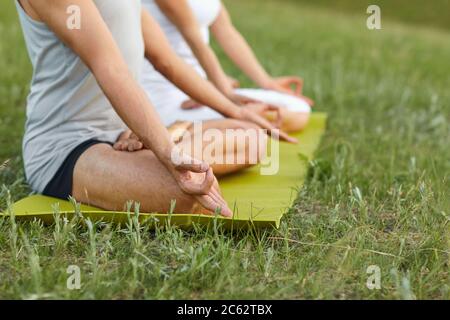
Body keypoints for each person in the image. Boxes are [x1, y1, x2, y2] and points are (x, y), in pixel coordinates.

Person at [16, 0, 292, 217]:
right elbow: (109, 67)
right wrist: (165, 151)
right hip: (69, 147)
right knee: (186, 195)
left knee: (252, 137)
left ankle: (169, 139)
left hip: (123, 134)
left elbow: (167, 61)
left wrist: (236, 110)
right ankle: (168, 153)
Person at [141, 0, 314, 133]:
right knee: (275, 120)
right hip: (163, 93)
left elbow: (226, 31)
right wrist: (223, 91)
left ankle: (194, 130)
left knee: (297, 107)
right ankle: (168, 130)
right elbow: (193, 38)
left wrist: (267, 82)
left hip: (199, 90)